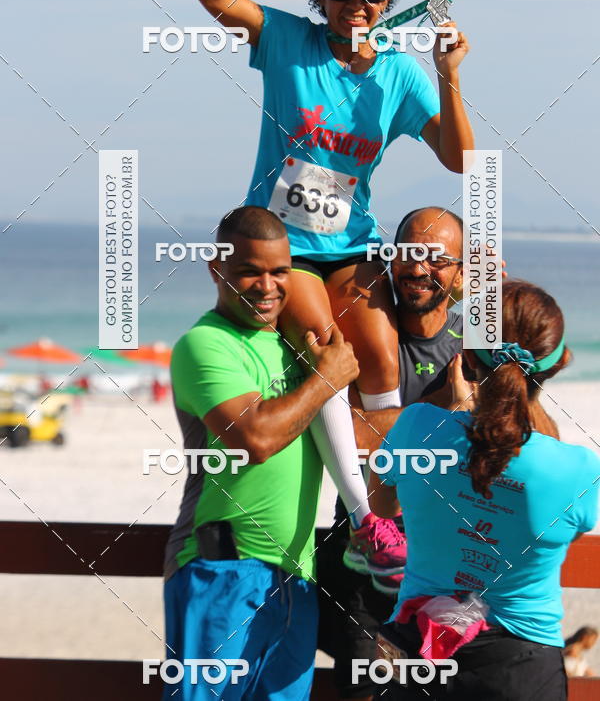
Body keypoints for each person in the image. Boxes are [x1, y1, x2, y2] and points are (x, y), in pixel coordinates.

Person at [195, 0, 474, 572]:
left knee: (382, 357)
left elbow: (459, 158)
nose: (359, 4)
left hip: (353, 240)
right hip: (284, 249)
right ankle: (362, 522)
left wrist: (447, 77)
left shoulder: (401, 77)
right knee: (332, 355)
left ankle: (388, 502)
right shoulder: (289, 42)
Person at [163, 206, 359, 700]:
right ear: (217, 270)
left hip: (297, 572)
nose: (267, 286)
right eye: (250, 271)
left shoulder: (296, 347)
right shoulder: (205, 345)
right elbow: (255, 439)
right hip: (222, 567)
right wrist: (327, 379)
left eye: (279, 271)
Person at [368, 280, 599, 700]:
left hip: (419, 653)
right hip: (522, 669)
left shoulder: (417, 427)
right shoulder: (579, 470)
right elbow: (563, 529)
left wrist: (460, 416)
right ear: (561, 361)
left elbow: (381, 505)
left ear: (468, 357)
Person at [317, 206, 466, 701]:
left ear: (463, 272)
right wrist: (444, 413)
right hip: (363, 559)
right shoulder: (365, 334)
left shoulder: (476, 345)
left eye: (438, 258)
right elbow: (348, 433)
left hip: (450, 567)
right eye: (410, 253)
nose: (420, 268)